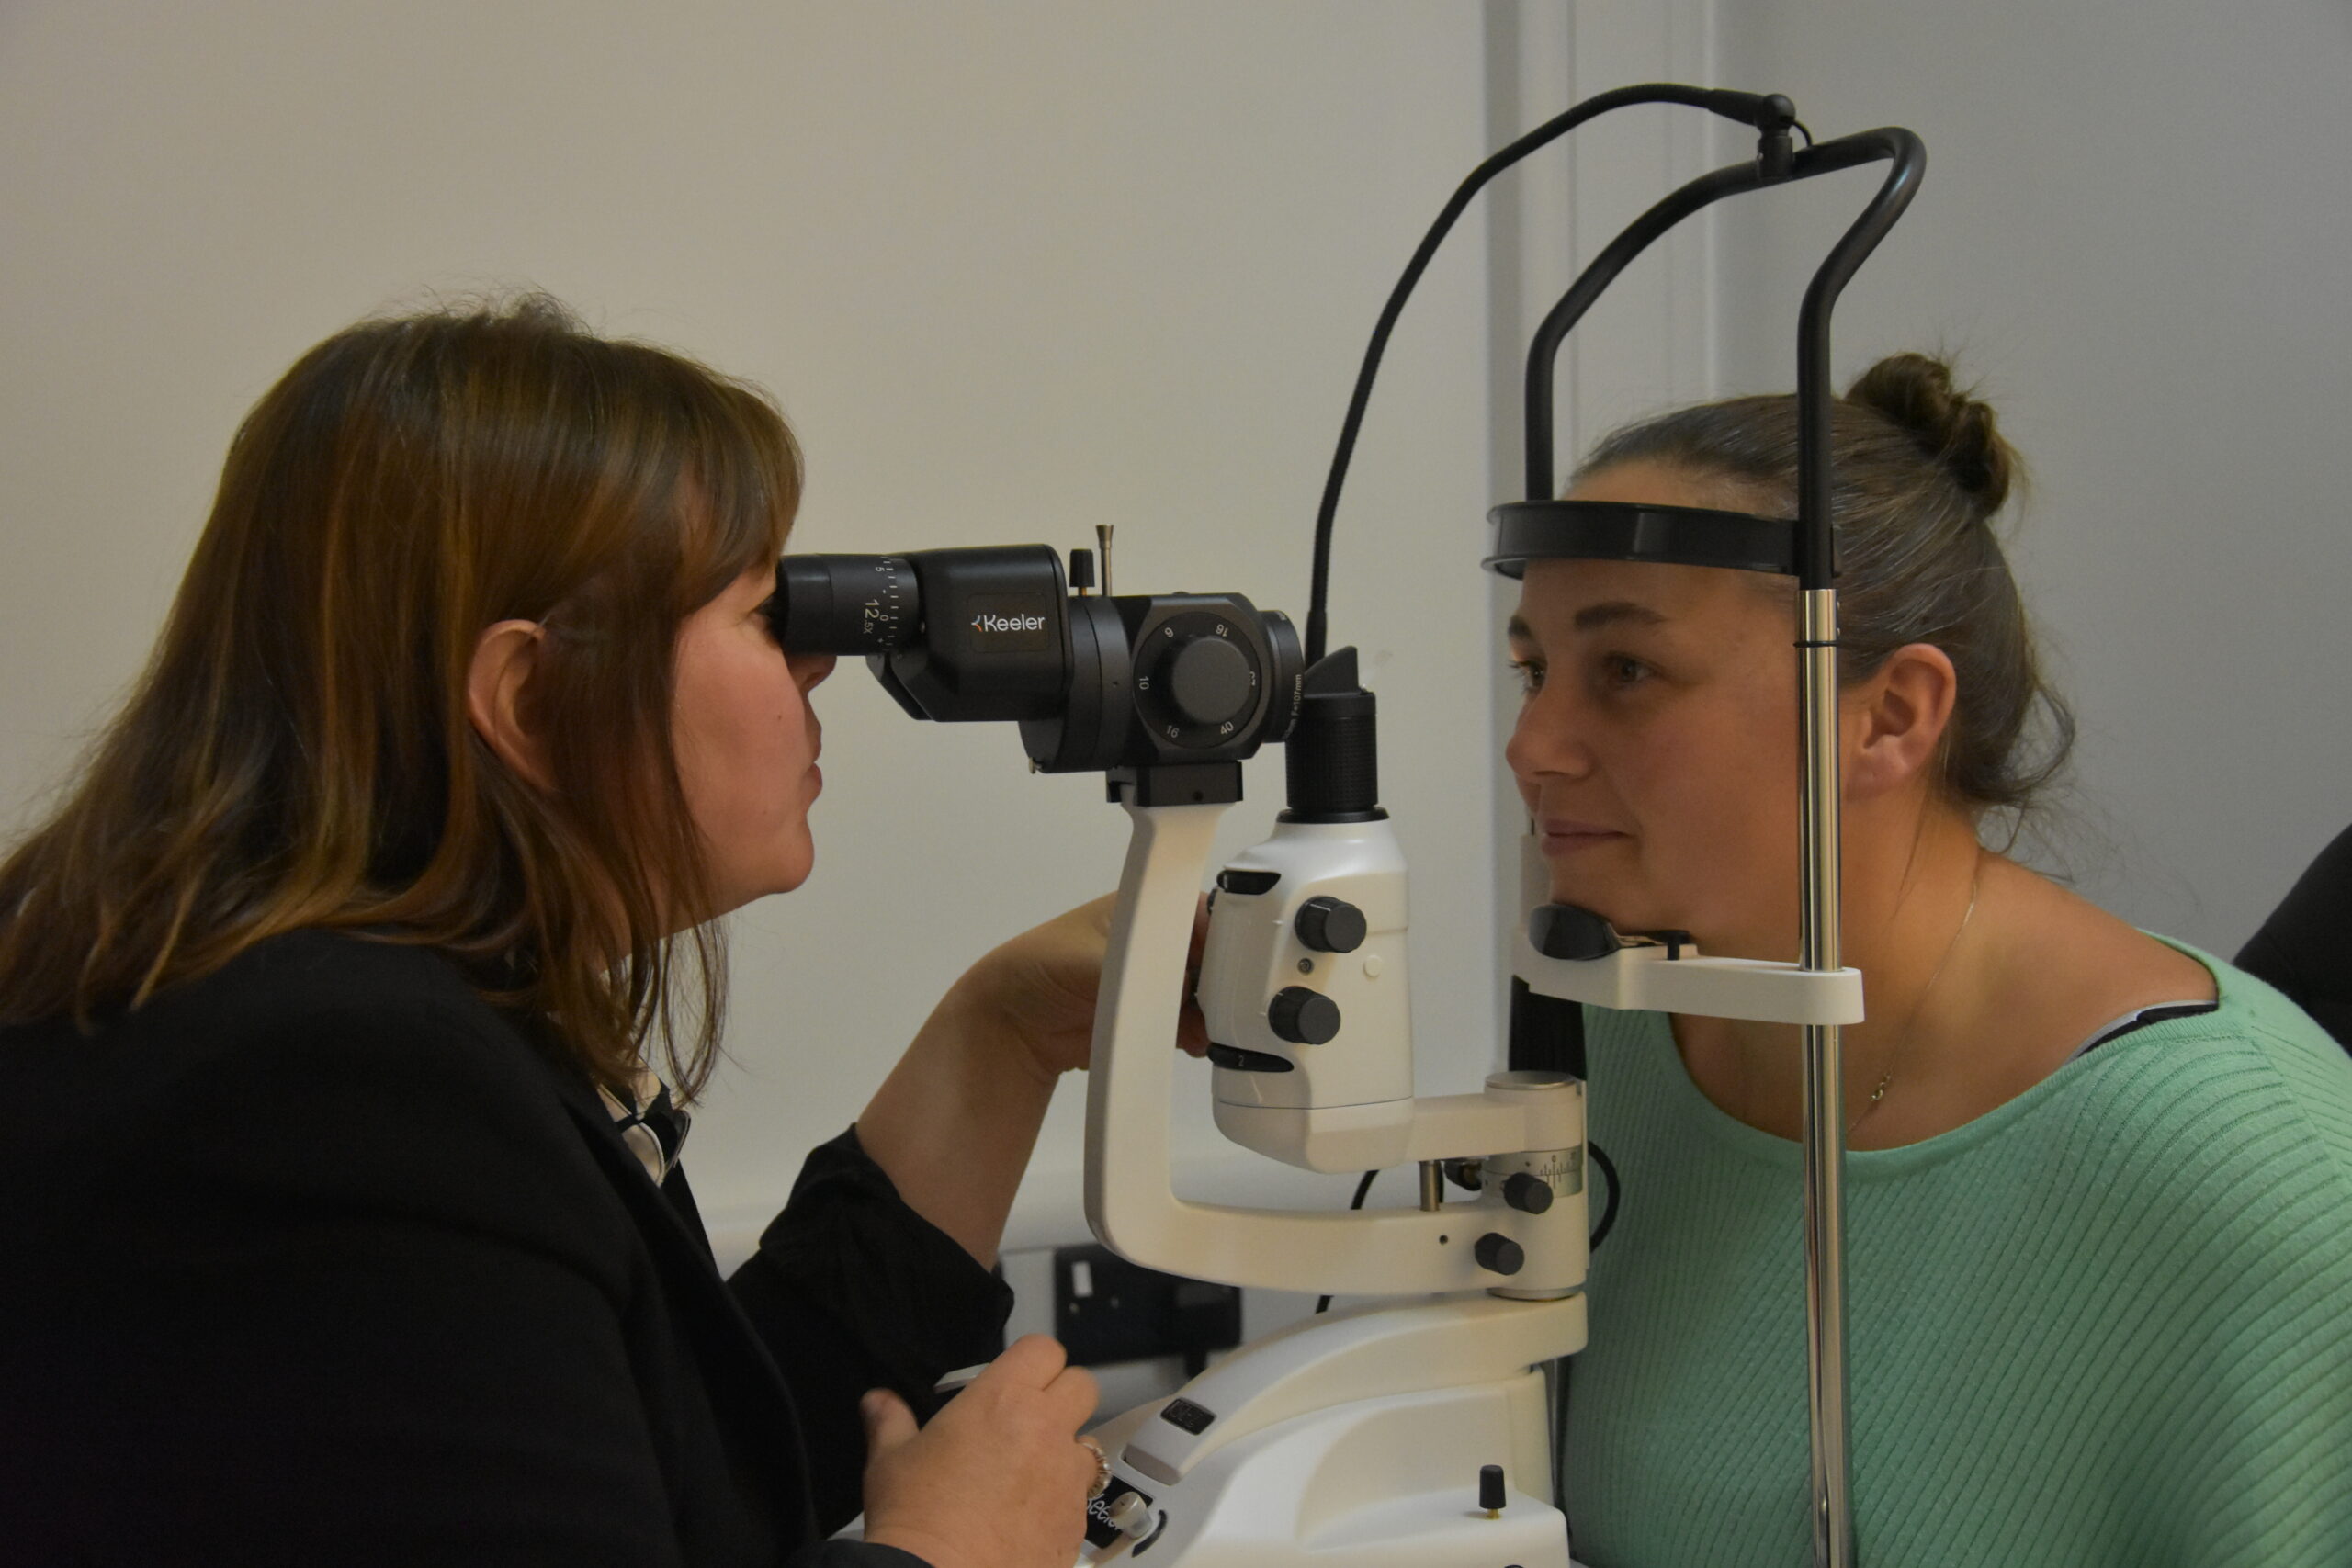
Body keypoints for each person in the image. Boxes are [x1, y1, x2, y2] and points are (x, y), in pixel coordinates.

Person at [0, 297, 1192, 1567]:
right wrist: (947, 1556)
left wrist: (1001, 1038)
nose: (820, 663)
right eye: (760, 613)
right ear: (531, 697)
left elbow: (681, 1463)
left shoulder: (293, 1018)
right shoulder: (342, 1097)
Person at [1504, 353, 2352, 1566]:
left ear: (1890, 716)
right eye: (1534, 668)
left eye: (1626, 671)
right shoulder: (1619, 1024)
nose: (1531, 743)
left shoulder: (2252, 1182)